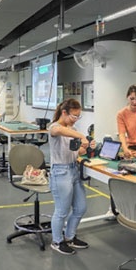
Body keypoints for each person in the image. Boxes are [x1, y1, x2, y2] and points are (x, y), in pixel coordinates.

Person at [45, 98, 92, 255]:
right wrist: (80, 135)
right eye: (74, 116)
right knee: (62, 211)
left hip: (74, 170)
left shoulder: (72, 129)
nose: (76, 119)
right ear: (64, 112)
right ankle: (57, 241)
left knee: (80, 207)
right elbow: (58, 131)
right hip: (60, 172)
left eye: (78, 116)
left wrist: (84, 148)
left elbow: (75, 151)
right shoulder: (54, 127)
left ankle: (70, 237)